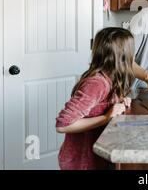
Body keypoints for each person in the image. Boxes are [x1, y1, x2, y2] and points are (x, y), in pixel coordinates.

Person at [56, 28, 134, 170]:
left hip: (96, 158)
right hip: (81, 162)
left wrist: (120, 102)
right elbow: (63, 125)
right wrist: (106, 117)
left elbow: (99, 106)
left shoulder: (110, 78)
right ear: (122, 55)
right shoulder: (97, 84)